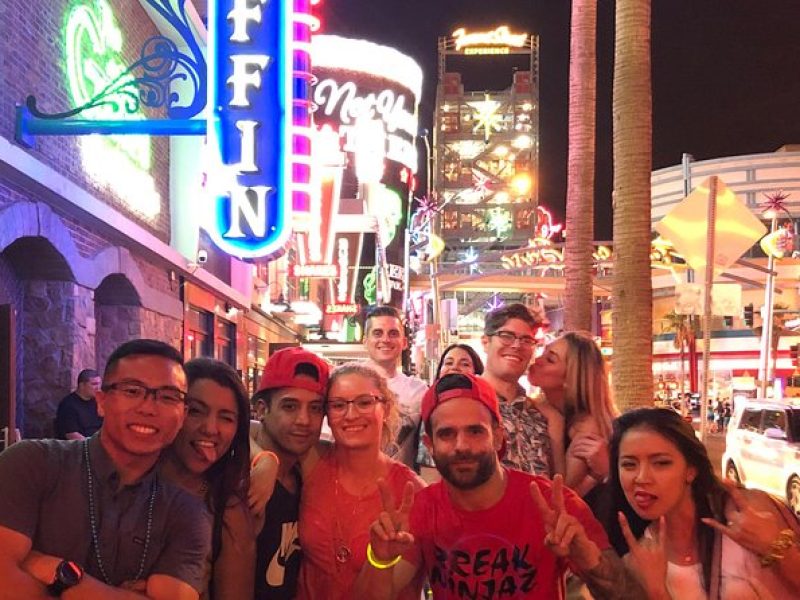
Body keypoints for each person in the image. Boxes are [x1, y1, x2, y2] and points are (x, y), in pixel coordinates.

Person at [354, 373, 645, 599]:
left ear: (497, 436)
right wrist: (380, 558)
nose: (461, 446)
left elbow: (628, 595)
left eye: (475, 431)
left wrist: (587, 558)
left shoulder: (554, 505)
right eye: (446, 434)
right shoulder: (421, 509)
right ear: (429, 445)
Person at [0, 339, 211, 599]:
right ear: (101, 402)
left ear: (183, 414)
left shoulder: (185, 512)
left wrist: (59, 573)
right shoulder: (32, 463)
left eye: (168, 397)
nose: (148, 407)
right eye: (132, 391)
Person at [609, 408, 800, 598]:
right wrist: (656, 590)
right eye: (629, 464)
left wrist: (776, 547)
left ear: (691, 470)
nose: (641, 478)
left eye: (661, 463)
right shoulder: (638, 560)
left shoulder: (747, 513)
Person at [297, 363, 425, 600]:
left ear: (385, 408)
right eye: (338, 405)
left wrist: (380, 559)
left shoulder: (412, 493)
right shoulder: (312, 460)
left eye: (365, 402)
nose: (351, 414)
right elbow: (255, 432)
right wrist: (265, 460)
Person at [160, 357, 254, 600]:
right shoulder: (132, 483)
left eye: (226, 417)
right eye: (196, 411)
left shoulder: (227, 509)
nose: (210, 428)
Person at [248, 347, 330, 600]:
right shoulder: (241, 476)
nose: (304, 420)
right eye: (290, 406)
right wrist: (262, 459)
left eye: (315, 408)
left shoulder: (308, 472)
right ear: (261, 409)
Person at [528, 331, 619, 498]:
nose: (538, 360)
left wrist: (555, 423)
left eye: (550, 359)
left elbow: (563, 493)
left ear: (569, 379)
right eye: (543, 353)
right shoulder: (542, 406)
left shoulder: (587, 426)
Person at [481, 302, 554, 476]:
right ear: (485, 342)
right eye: (507, 336)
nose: (516, 346)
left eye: (526, 340)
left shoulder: (540, 415)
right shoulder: (461, 404)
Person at [362, 305, 427, 469]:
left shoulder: (419, 391)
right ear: (365, 341)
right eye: (377, 333)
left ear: (404, 342)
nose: (385, 339)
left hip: (401, 485)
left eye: (393, 333)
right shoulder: (347, 383)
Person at [417, 343, 485, 481]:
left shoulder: (485, 410)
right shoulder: (431, 410)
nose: (454, 367)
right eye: (448, 363)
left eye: (464, 364)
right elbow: (428, 471)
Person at [54, 368, 103, 439]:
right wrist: (92, 447)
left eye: (99, 384)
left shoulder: (98, 401)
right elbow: (72, 435)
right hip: (80, 446)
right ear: (82, 385)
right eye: (94, 384)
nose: (98, 388)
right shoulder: (68, 405)